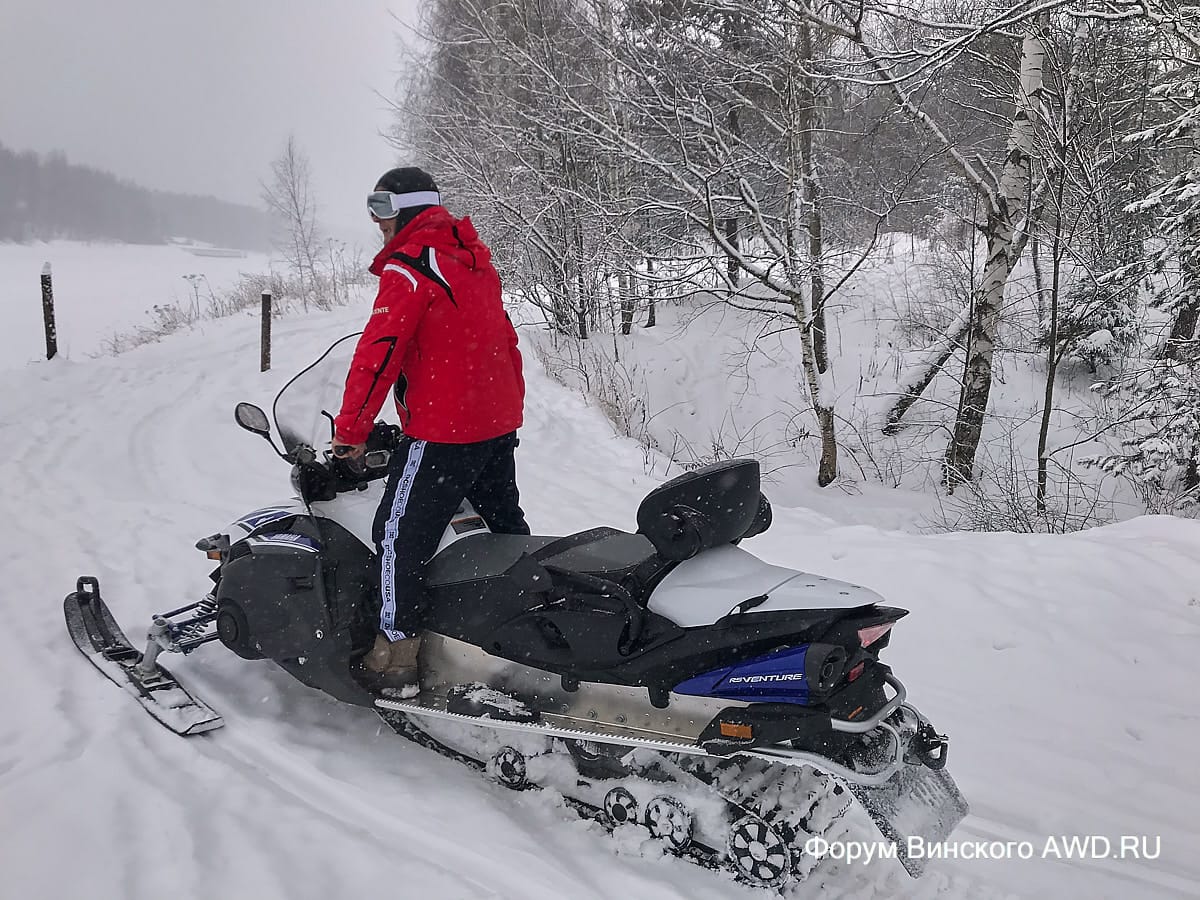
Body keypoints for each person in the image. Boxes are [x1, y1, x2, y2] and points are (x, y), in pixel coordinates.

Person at [332, 166, 529, 693]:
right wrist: (507, 406)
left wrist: (351, 429)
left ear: (403, 210)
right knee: (503, 522)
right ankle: (526, 620)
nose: (376, 223)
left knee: (398, 536)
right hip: (494, 422)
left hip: (444, 430)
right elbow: (502, 340)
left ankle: (394, 657)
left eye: (381, 209)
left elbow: (379, 354)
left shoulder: (409, 268)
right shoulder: (470, 259)